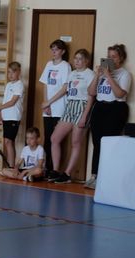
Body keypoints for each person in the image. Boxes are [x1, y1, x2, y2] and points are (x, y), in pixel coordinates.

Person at [86, 44, 131, 189]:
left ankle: (106, 177)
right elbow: (91, 92)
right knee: (97, 143)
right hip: (100, 107)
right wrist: (98, 76)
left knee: (109, 144)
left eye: (114, 57)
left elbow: (119, 94)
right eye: (109, 56)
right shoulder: (100, 73)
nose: (110, 59)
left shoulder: (125, 74)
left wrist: (109, 76)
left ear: (121, 59)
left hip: (116, 108)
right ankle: (94, 175)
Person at [47, 49, 95, 184]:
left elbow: (91, 97)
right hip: (70, 106)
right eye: (75, 58)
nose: (77, 61)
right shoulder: (72, 74)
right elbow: (65, 91)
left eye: (80, 59)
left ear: (86, 61)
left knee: (75, 142)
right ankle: (56, 170)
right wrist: (49, 103)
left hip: (82, 106)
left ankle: (67, 173)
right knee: (54, 138)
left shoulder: (90, 74)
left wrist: (84, 116)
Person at [39, 39, 71, 174]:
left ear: (62, 51)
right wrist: (46, 103)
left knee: (56, 140)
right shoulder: (48, 64)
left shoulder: (65, 66)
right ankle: (46, 168)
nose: (54, 52)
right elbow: (46, 84)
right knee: (47, 138)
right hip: (48, 108)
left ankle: (54, 169)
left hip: (59, 107)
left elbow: (65, 88)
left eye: (56, 49)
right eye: (52, 49)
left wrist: (50, 102)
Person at [0, 61, 24, 168]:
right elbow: (5, 101)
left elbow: (13, 101)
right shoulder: (8, 85)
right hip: (6, 117)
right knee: (9, 142)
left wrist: (0, 108)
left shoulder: (20, 85)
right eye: (9, 72)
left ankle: (11, 166)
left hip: (14, 116)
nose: (11, 74)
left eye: (13, 72)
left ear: (18, 72)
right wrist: (0, 114)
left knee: (8, 141)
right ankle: (11, 166)